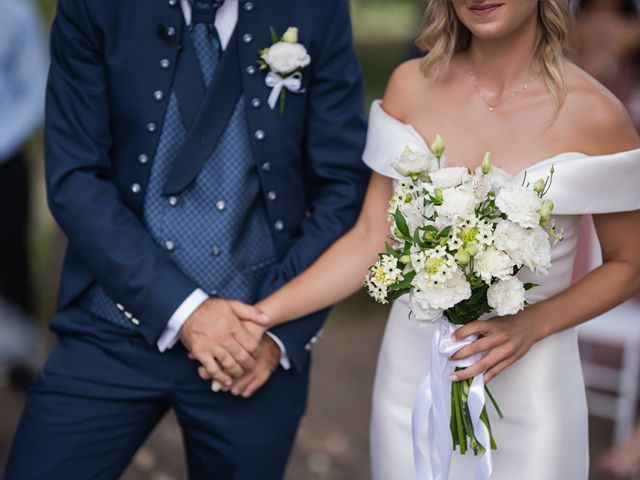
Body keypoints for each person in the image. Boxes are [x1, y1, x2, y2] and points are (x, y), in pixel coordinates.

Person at [250, 1, 640, 479]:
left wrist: (533, 324)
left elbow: (629, 263)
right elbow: (373, 238)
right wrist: (259, 317)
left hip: (532, 387)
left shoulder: (597, 114)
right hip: (412, 379)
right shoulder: (410, 85)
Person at [5, 0, 369, 478]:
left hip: (253, 343)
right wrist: (189, 311)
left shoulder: (315, 9)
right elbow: (75, 179)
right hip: (112, 326)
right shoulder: (95, 7)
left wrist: (277, 329)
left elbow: (343, 186)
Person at [0, 0, 48, 388]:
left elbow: (35, 90)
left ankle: (19, 361)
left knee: (10, 257)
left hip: (4, 160)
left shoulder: (15, 10)